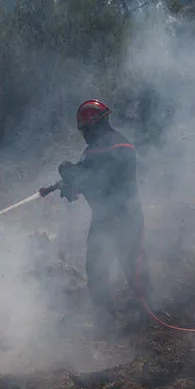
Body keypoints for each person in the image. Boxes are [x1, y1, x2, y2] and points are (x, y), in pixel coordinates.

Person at [57, 99, 152, 339]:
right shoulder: (101, 148)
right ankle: (107, 324)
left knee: (132, 268)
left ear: (97, 124)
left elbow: (102, 179)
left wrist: (75, 176)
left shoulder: (115, 146)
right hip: (104, 219)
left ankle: (152, 318)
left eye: (86, 130)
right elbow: (88, 178)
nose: (85, 136)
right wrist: (70, 185)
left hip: (123, 217)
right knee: (98, 269)